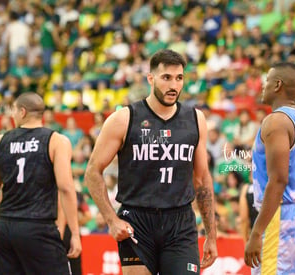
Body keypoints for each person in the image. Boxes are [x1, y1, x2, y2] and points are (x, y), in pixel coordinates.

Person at [85, 49, 217, 275]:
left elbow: (202, 178)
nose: (173, 85)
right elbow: (92, 172)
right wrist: (111, 219)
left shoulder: (196, 119)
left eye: (179, 78)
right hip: (137, 221)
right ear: (151, 79)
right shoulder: (124, 118)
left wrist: (211, 234)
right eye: (166, 78)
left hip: (180, 222)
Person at [0, 92, 82, 275]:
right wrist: (75, 234)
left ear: (22, 112)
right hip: (38, 227)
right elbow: (66, 188)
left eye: (13, 111)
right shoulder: (56, 140)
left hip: (7, 228)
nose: (12, 116)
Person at [244, 62, 295, 274]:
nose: (262, 85)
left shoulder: (276, 121)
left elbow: (278, 180)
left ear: (277, 85)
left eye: (266, 80)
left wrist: (256, 232)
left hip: (282, 215)